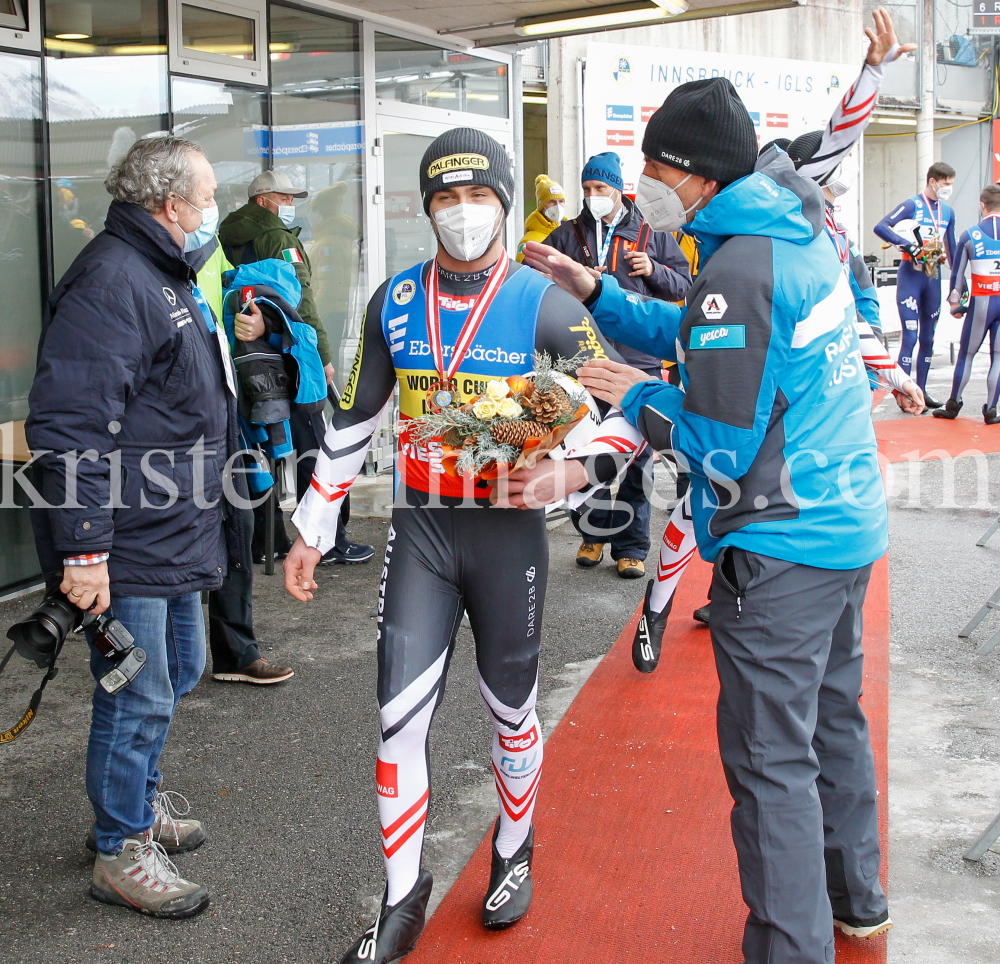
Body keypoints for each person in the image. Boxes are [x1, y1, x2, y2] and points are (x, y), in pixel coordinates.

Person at [525, 75, 891, 963]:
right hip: (846, 526)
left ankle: (789, 948)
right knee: (833, 720)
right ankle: (858, 902)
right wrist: (600, 293)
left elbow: (717, 445)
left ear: (695, 173)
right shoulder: (789, 235)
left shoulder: (739, 266)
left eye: (655, 165)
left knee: (771, 766)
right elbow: (701, 331)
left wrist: (638, 396)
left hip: (781, 542)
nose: (644, 180)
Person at [282, 128, 644, 964]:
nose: (463, 212)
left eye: (479, 196)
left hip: (507, 536)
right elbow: (353, 420)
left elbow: (629, 407)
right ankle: (401, 898)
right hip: (422, 529)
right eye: (446, 198)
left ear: (505, 204)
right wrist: (312, 526)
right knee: (395, 721)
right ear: (426, 207)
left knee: (509, 712)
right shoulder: (393, 302)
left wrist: (574, 473)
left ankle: (513, 849)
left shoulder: (544, 303)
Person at [641, 5, 920, 645]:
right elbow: (832, 139)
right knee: (701, 497)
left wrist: (891, 369)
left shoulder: (791, 218)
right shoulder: (746, 205)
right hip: (718, 365)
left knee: (707, 484)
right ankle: (664, 602)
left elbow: (849, 316)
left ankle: (715, 594)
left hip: (783, 460)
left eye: (659, 170)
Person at [26, 134, 243, 919]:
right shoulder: (115, 280)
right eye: (208, 193)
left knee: (176, 674)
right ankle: (120, 848)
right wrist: (84, 548)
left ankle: (137, 804)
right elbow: (74, 422)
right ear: (169, 202)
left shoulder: (163, 274)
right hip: (126, 539)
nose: (214, 207)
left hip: (173, 528)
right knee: (138, 693)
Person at [545, 151, 692, 578]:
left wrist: (653, 271)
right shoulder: (567, 233)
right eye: (587, 189)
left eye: (601, 189)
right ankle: (592, 534)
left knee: (636, 459)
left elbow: (683, 284)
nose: (593, 197)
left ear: (618, 189)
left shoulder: (650, 230)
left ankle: (632, 545)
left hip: (638, 360)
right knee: (581, 448)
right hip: (582, 357)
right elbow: (539, 282)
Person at [219, 170, 373, 566]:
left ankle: (265, 540)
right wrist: (321, 356)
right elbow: (301, 305)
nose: (290, 204)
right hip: (289, 354)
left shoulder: (224, 238)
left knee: (257, 446)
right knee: (316, 446)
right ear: (264, 200)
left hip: (246, 355)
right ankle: (327, 539)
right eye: (284, 197)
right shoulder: (278, 239)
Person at [189, 235, 295, 685]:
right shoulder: (130, 263)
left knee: (238, 529)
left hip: (225, 416)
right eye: (204, 197)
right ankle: (164, 666)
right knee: (174, 538)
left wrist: (264, 327)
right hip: (172, 426)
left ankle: (236, 653)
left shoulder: (209, 249)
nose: (209, 209)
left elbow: (273, 311)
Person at [874, 161, 957, 407]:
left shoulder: (948, 212)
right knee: (910, 336)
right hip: (910, 274)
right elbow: (881, 227)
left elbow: (951, 249)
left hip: (932, 277)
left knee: (928, 338)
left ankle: (922, 390)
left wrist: (958, 280)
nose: (949, 188)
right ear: (933, 181)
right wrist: (908, 245)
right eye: (946, 184)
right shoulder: (912, 204)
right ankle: (903, 391)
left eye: (951, 184)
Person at [933, 184, 1000, 424]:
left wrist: (954, 303)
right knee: (999, 357)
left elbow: (957, 274)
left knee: (967, 355)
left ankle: (953, 404)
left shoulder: (971, 234)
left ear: (982, 206)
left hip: (982, 302)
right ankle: (991, 410)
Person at [516, 174, 566, 261]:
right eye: (552, 202)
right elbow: (524, 272)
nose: (558, 206)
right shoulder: (529, 241)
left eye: (561, 201)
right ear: (541, 205)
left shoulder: (571, 232)